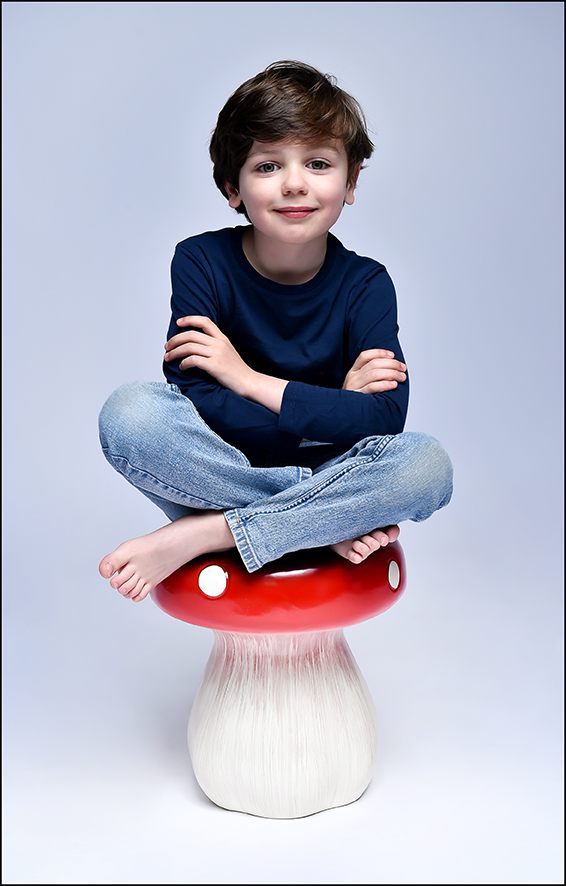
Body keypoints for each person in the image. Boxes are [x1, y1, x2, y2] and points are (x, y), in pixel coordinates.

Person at [98, 60, 453, 603]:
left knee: (427, 467)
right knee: (130, 413)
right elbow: (199, 399)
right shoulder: (199, 261)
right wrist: (332, 411)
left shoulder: (367, 284)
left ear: (351, 181)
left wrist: (244, 378)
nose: (294, 183)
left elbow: (384, 418)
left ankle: (212, 531)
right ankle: (316, 520)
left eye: (318, 163)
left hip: (335, 468)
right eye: (267, 166)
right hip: (233, 463)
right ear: (232, 187)